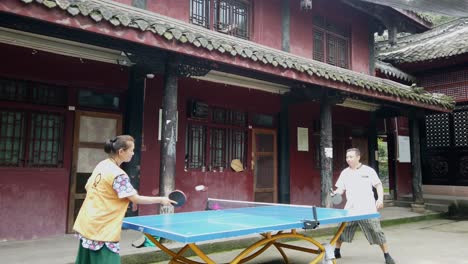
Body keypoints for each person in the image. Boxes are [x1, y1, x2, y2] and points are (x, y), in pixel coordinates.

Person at [73, 135, 176, 264]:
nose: (133, 153)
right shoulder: (118, 175)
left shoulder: (102, 164)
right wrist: (161, 199)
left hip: (87, 222)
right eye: (131, 150)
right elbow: (135, 199)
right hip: (103, 228)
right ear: (121, 151)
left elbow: (88, 186)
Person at [331, 148, 396, 264]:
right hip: (350, 209)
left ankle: (387, 255)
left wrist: (380, 199)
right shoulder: (345, 172)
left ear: (358, 157)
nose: (348, 159)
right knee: (341, 230)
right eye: (347, 157)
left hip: (367, 209)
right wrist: (335, 193)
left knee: (377, 231)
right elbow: (341, 189)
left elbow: (378, 185)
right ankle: (337, 250)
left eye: (351, 157)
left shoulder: (369, 171)